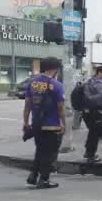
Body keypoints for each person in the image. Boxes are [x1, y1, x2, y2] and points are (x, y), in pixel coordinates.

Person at [23, 57, 65, 189]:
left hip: (37, 124)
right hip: (52, 124)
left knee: (40, 151)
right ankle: (44, 179)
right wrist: (63, 123)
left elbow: (27, 105)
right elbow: (61, 107)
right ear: (55, 69)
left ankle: (33, 175)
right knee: (49, 153)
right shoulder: (56, 85)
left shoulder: (32, 83)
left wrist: (25, 121)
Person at [82, 66, 102, 164]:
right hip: (96, 112)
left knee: (92, 132)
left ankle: (88, 152)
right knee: (95, 134)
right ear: (99, 73)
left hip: (86, 111)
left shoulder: (88, 81)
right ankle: (91, 155)